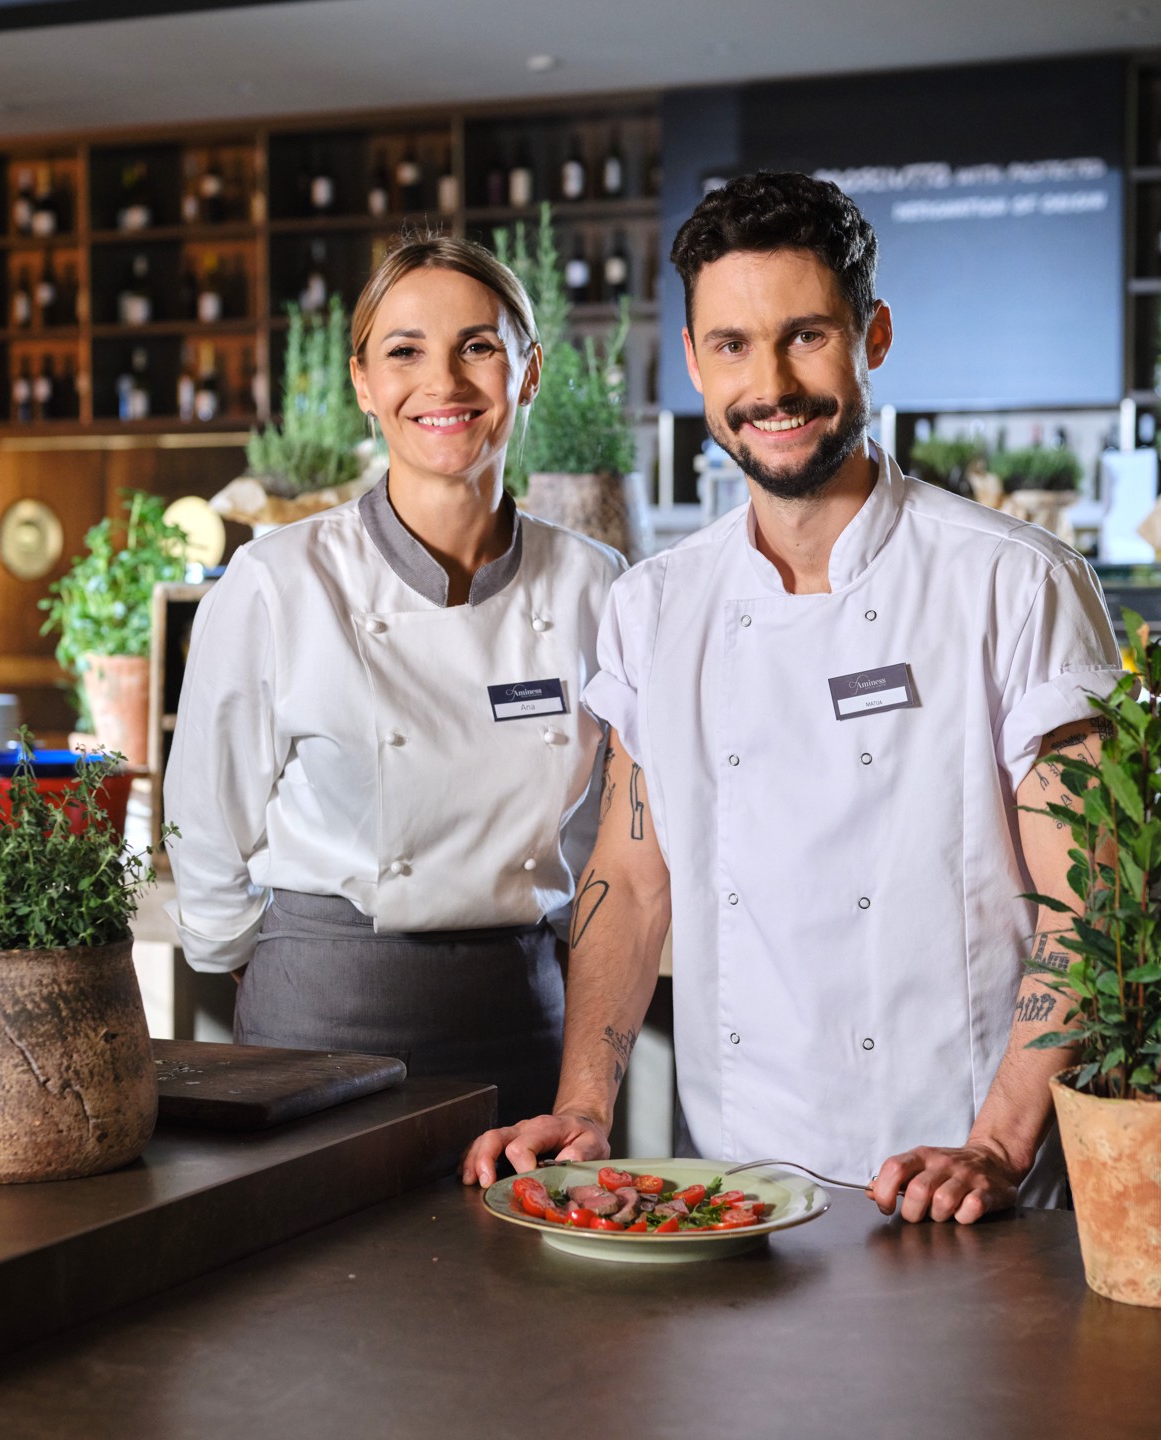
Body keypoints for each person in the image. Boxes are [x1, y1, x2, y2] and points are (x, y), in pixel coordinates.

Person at [463, 172, 1123, 1222]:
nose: (770, 383)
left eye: (806, 335)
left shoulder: (1011, 581)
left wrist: (996, 1145)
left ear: (875, 336)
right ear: (691, 360)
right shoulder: (656, 607)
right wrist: (584, 1108)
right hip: (736, 1186)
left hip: (960, 1183)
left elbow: (1094, 895)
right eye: (731, 345)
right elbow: (630, 886)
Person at [166, 234, 624, 1120]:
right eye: (405, 351)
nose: (444, 383)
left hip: (524, 1014)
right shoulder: (278, 581)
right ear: (364, 384)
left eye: (479, 347)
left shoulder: (595, 583)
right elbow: (206, 826)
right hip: (320, 1017)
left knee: (514, 1256)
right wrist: (261, 976)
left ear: (528, 373)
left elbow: (606, 836)